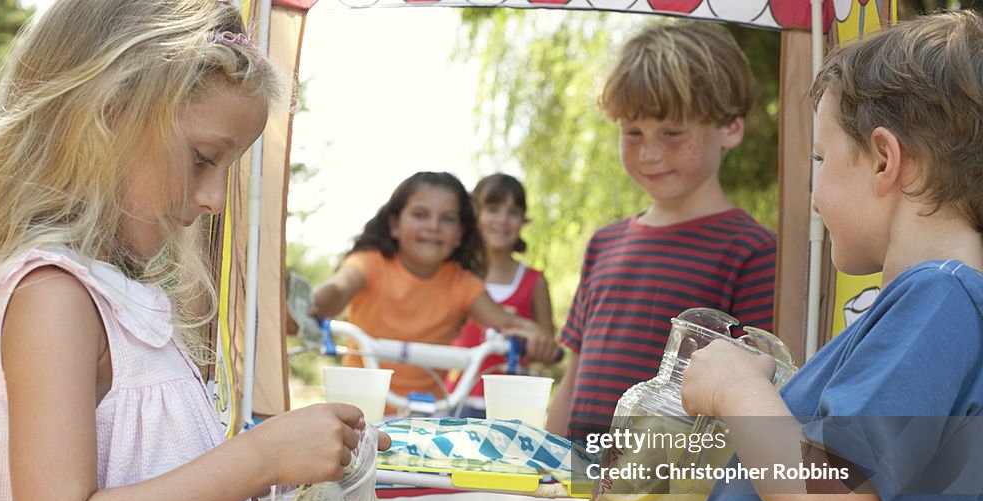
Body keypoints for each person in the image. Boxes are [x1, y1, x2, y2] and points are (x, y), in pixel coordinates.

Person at [0, 1, 389, 501]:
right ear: (106, 115)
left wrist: (286, 467)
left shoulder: (115, 301)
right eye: (202, 158)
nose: (215, 197)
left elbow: (144, 482)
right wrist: (260, 457)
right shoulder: (52, 300)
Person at [570, 11, 983, 501]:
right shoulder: (918, 313)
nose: (812, 191)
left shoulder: (939, 302)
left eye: (820, 160)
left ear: (885, 159)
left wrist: (740, 387)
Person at [545, 21, 777, 446]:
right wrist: (543, 458)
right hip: (576, 476)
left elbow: (755, 393)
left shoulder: (753, 251)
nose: (649, 153)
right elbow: (574, 374)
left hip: (667, 486)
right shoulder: (603, 243)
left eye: (671, 133)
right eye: (633, 133)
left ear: (731, 128)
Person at [312, 171, 560, 402]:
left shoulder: (462, 283)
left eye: (447, 219)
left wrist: (539, 339)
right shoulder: (369, 264)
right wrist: (313, 305)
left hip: (426, 414)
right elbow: (338, 289)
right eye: (420, 214)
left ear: (461, 232)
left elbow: (507, 322)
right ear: (394, 224)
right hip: (359, 404)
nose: (433, 226)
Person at [445, 173, 554, 417]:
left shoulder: (533, 281)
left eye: (513, 212)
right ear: (475, 215)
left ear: (522, 220)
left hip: (512, 403)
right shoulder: (456, 276)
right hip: (456, 397)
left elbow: (547, 347)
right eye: (493, 209)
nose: (503, 220)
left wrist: (536, 344)